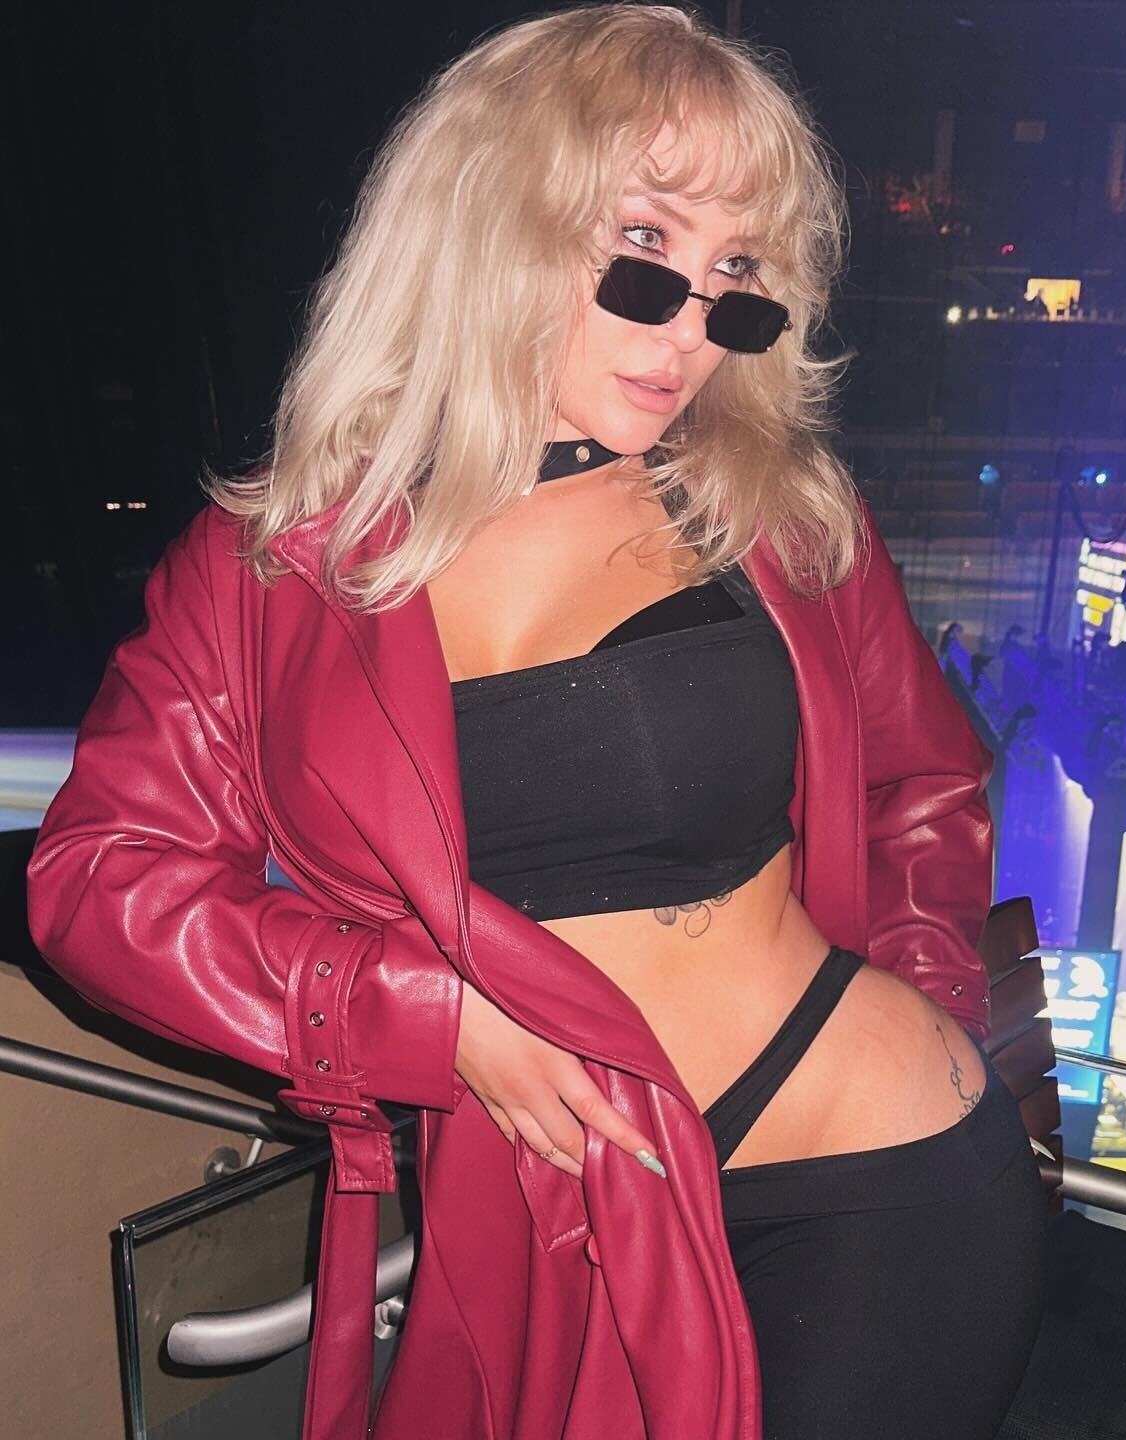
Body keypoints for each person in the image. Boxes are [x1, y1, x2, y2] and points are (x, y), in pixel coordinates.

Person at [26, 7, 1048, 1439]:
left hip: (873, 1171)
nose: (692, 331)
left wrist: (931, 1003)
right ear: (488, 220)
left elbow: (922, 782)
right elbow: (98, 882)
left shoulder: (770, 513)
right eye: (646, 250)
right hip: (558, 1223)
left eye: (736, 278)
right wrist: (427, 1021)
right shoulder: (272, 568)